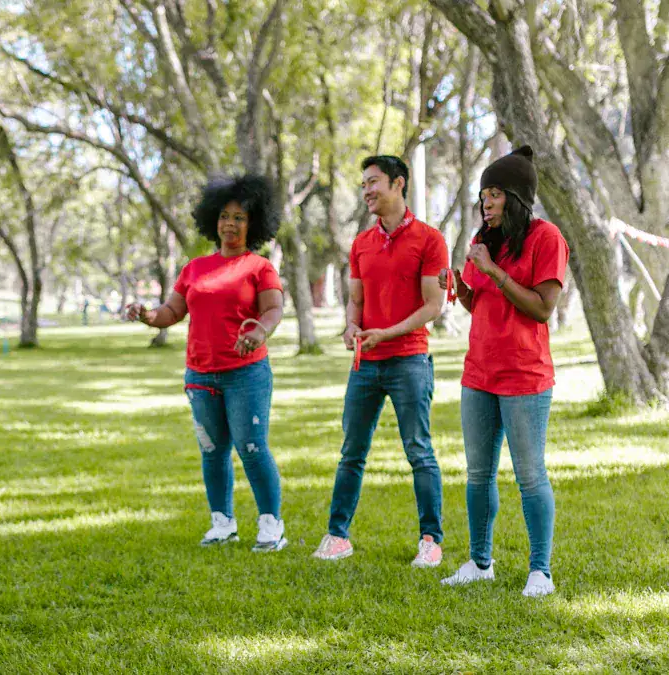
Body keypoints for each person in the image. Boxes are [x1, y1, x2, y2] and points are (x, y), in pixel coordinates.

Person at [123, 174, 288, 552]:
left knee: (251, 447)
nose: (230, 224)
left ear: (254, 224)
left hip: (246, 374)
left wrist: (259, 333)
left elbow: (274, 309)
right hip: (200, 373)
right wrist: (146, 314)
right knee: (212, 450)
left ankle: (270, 525)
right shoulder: (195, 268)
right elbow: (171, 312)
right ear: (213, 219)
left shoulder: (259, 267)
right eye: (224, 216)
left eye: (240, 218)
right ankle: (222, 523)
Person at [439, 146, 568, 598]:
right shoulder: (487, 239)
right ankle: (480, 562)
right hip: (479, 373)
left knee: (530, 475)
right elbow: (481, 304)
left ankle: (541, 571)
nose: (486, 203)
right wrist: (461, 285)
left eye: (494, 194)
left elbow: (541, 308)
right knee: (478, 474)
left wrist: (491, 271)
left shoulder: (546, 237)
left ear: (515, 197)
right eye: (482, 195)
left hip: (524, 376)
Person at [313, 155, 447, 568]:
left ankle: (431, 540)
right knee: (352, 451)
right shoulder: (361, 243)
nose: (368, 190)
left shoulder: (429, 239)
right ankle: (337, 536)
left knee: (418, 451)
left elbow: (433, 306)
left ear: (398, 184)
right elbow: (356, 301)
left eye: (374, 182)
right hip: (365, 365)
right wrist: (351, 327)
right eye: (364, 184)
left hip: (408, 361)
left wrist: (386, 333)